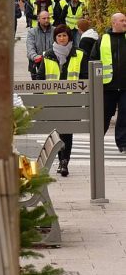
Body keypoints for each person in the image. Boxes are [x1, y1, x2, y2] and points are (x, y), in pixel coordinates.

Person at [42, 25, 87, 177]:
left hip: (72, 100)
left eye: (65, 36)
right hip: (53, 100)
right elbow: (40, 78)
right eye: (59, 36)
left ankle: (64, 161)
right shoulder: (47, 55)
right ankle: (61, 159)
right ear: (55, 38)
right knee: (57, 132)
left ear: (70, 37)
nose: (62, 38)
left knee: (68, 132)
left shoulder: (79, 54)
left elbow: (86, 77)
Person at [99, 12, 126, 154]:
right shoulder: (103, 39)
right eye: (122, 20)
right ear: (114, 23)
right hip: (108, 85)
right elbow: (93, 59)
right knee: (105, 115)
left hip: (124, 86)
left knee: (124, 115)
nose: (125, 23)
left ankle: (122, 143)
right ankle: (98, 140)